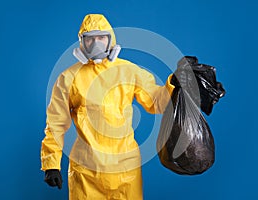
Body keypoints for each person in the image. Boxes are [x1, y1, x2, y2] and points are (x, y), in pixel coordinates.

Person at [41, 14, 177, 200]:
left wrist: (174, 84)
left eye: (101, 38)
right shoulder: (68, 78)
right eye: (90, 39)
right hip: (87, 172)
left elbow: (157, 102)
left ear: (111, 39)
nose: (96, 44)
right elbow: (56, 123)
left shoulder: (128, 71)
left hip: (125, 170)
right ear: (82, 42)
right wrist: (51, 164)